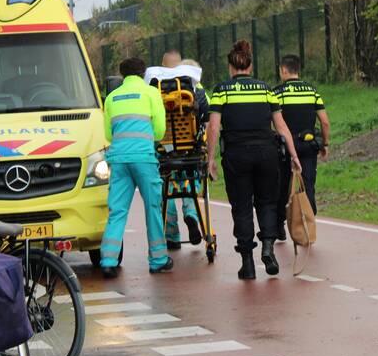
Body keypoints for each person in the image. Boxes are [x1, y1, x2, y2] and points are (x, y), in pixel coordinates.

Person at [207, 40, 301, 280]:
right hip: (267, 153)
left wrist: (210, 158)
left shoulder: (222, 90)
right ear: (250, 66)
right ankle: (268, 247)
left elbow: (214, 128)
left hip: (236, 155)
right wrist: (293, 155)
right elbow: (281, 126)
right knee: (267, 202)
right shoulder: (266, 89)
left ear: (231, 66)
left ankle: (247, 263)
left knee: (242, 206)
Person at [100, 57, 171, 277]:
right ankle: (158, 258)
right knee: (153, 207)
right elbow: (159, 131)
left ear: (122, 75)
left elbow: (108, 135)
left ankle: (108, 260)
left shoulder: (111, 98)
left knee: (117, 210)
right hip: (143, 159)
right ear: (143, 73)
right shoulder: (151, 93)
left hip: (119, 160)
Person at [272, 54, 330, 241]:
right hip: (308, 145)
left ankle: (280, 225)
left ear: (283, 70)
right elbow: (325, 122)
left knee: (282, 185)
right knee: (308, 185)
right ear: (298, 69)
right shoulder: (312, 91)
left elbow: (274, 122)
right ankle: (308, 225)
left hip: (286, 148)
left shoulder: (278, 92)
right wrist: (325, 143)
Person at [163, 57, 206, 251]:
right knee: (190, 181)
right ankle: (191, 214)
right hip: (191, 150)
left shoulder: (163, 94)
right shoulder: (200, 94)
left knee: (168, 188)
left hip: (167, 151)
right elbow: (206, 120)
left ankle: (171, 235)